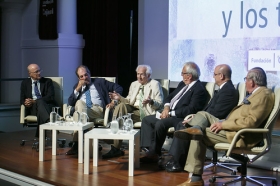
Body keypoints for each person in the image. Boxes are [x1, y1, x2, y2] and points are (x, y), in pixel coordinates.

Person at [174, 67, 274, 186]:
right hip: (231, 128)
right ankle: (196, 127)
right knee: (203, 114)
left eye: (246, 79)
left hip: (240, 135)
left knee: (199, 135)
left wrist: (223, 125)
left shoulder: (263, 95)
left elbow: (251, 122)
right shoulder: (257, 94)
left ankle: (195, 179)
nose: (245, 82)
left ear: (252, 81)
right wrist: (222, 122)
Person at [164, 64, 239, 172]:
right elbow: (210, 110)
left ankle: (176, 162)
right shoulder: (224, 89)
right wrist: (196, 117)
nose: (213, 77)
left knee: (183, 125)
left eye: (215, 74)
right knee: (184, 123)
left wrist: (198, 118)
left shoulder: (228, 91)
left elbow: (217, 113)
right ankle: (175, 160)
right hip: (209, 119)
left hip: (216, 124)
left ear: (221, 76)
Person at [140, 62, 208, 163]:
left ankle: (154, 153)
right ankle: (151, 150)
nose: (181, 75)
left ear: (189, 76)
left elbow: (191, 109)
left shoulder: (199, 90)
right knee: (147, 120)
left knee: (160, 123)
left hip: (180, 117)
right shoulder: (182, 84)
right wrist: (166, 108)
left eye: (183, 73)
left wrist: (170, 113)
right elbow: (169, 97)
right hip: (169, 113)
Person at [103, 64, 164, 158]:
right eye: (138, 74)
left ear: (148, 75)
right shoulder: (134, 84)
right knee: (121, 106)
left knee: (121, 113)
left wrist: (151, 101)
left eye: (142, 74)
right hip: (133, 110)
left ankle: (114, 141)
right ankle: (115, 146)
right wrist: (119, 98)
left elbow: (160, 104)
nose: (139, 77)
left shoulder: (155, 84)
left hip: (146, 112)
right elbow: (128, 101)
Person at [66, 65, 123, 155]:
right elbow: (70, 102)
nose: (85, 78)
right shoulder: (77, 87)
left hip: (97, 110)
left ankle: (77, 145)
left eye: (86, 75)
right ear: (78, 78)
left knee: (78, 113)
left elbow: (118, 88)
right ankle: (85, 135)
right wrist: (78, 88)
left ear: (89, 73)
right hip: (82, 110)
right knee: (79, 106)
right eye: (81, 76)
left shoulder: (100, 82)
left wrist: (113, 101)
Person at [20, 64, 56, 138]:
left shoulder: (48, 81)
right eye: (36, 72)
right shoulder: (25, 83)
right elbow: (21, 99)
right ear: (30, 74)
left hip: (48, 106)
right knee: (40, 106)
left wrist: (35, 101)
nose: (39, 73)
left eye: (39, 70)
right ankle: (49, 121)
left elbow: (51, 97)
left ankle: (40, 138)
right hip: (33, 108)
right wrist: (26, 103)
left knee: (40, 103)